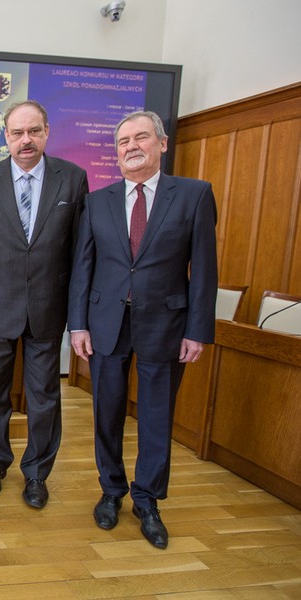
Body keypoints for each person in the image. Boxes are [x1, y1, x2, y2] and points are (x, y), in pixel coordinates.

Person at [68, 111, 217, 549]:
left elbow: (205, 270)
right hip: (105, 325)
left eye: (141, 137)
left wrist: (198, 330)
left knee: (155, 417)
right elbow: (84, 268)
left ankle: (148, 499)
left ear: (162, 144)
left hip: (166, 326)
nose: (131, 146)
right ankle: (111, 491)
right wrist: (77, 324)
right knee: (106, 413)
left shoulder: (193, 195)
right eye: (123, 141)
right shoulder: (98, 201)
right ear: (115, 152)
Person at [0, 100, 88, 508]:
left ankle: (37, 474)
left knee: (45, 395)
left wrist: (79, 316)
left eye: (33, 131)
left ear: (46, 132)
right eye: (17, 133)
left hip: (49, 306)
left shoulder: (73, 179)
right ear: (6, 137)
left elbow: (81, 251)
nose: (25, 140)